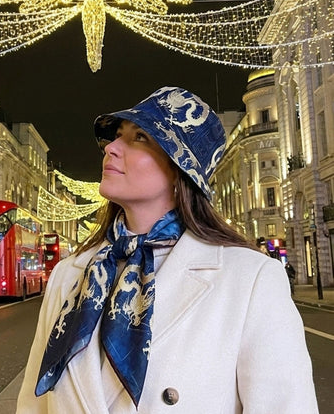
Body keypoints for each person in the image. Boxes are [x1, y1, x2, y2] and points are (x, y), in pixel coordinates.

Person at [16, 86, 318, 413]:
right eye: (117, 135)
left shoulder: (251, 279)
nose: (112, 147)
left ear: (180, 170)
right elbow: (33, 405)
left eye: (140, 138)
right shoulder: (69, 274)